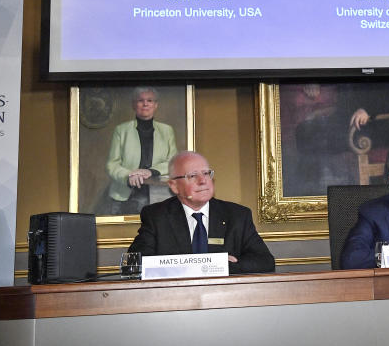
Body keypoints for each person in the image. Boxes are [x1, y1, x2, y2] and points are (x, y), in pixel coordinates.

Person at [129, 151, 275, 274]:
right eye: (192, 176)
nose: (203, 181)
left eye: (206, 173)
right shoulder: (157, 216)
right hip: (175, 301)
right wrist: (200, 265)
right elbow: (134, 265)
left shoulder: (237, 215)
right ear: (174, 186)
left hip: (226, 301)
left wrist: (223, 266)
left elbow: (265, 262)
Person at [104, 87, 178, 214]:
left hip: (158, 194)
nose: (145, 104)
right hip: (124, 195)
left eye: (149, 100)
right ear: (134, 105)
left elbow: (173, 162)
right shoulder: (121, 130)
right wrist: (129, 176)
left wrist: (150, 171)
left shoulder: (167, 131)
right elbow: (112, 164)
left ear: (156, 105)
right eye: (140, 100)